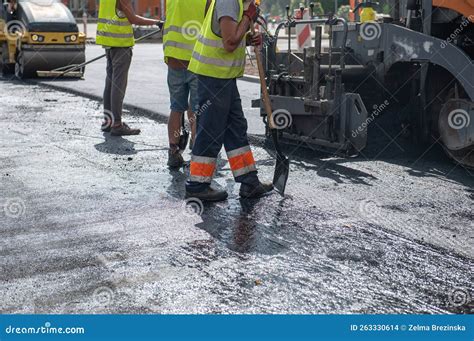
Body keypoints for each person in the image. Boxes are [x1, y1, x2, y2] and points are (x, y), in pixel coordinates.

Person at [185, 0, 273, 202]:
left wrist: (248, 39)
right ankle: (197, 185)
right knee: (211, 129)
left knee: (235, 127)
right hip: (214, 76)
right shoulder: (229, 1)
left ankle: (249, 181)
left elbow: (231, 36)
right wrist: (248, 17)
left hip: (223, 77)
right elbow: (229, 42)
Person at [96, 0, 162, 136]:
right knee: (118, 86)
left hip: (109, 44)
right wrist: (156, 22)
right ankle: (117, 124)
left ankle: (108, 121)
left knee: (110, 84)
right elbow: (133, 19)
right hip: (120, 45)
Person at [163, 0, 208, 168]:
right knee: (197, 110)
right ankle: (197, 155)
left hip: (174, 59)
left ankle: (173, 152)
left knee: (176, 107)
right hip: (196, 60)